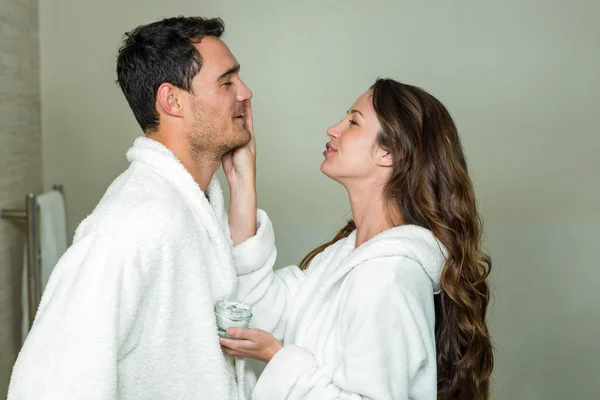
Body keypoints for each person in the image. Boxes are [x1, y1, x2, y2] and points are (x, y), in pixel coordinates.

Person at [8, 16, 262, 400]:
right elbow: (49, 385)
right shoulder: (132, 223)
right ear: (172, 100)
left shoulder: (187, 206)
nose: (245, 92)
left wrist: (243, 187)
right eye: (227, 82)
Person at [220, 78, 494, 399]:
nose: (333, 129)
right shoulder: (343, 258)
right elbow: (256, 309)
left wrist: (277, 358)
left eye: (353, 122)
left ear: (389, 153)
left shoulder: (388, 275)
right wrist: (242, 181)